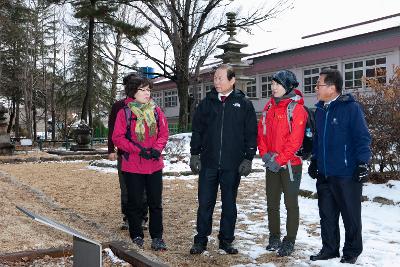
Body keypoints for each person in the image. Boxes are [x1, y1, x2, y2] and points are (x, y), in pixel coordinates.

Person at [189, 64, 257, 255]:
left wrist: (248, 158)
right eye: (215, 78)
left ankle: (226, 240)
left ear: (232, 80)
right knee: (205, 203)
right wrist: (195, 154)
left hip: (232, 165)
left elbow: (251, 133)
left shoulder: (243, 103)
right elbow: (198, 131)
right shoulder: (207, 103)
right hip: (208, 163)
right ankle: (200, 240)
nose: (216, 81)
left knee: (229, 204)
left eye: (220, 78)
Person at [308, 69, 371, 264]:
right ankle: (329, 249)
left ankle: (352, 251)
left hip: (346, 174)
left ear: (332, 87)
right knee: (326, 215)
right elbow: (318, 139)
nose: (315, 88)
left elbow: (362, 137)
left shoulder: (350, 108)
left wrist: (362, 163)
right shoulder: (319, 110)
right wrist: (315, 160)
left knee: (351, 216)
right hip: (325, 173)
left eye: (318, 84)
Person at [112, 75, 169, 251]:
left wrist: (156, 149)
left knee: (155, 203)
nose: (147, 93)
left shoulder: (156, 110)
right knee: (135, 202)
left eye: (148, 90)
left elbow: (163, 133)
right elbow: (117, 138)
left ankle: (157, 237)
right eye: (142, 90)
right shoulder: (125, 112)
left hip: (154, 164)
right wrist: (138, 149)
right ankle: (136, 235)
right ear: (133, 92)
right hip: (133, 165)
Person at [257, 70, 308, 256]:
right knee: (272, 203)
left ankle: (289, 240)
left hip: (290, 165)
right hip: (271, 163)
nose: (273, 87)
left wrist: (279, 160)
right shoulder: (269, 107)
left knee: (290, 203)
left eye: (277, 84)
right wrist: (264, 154)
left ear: (288, 86)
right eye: (272, 84)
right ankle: (274, 236)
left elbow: (295, 141)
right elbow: (261, 132)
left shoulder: (297, 109)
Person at [108, 73, 148, 230]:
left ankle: (142, 216)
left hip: (142, 154)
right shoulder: (119, 106)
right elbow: (112, 128)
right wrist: (111, 149)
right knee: (125, 187)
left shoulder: (146, 104)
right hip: (124, 155)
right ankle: (128, 217)